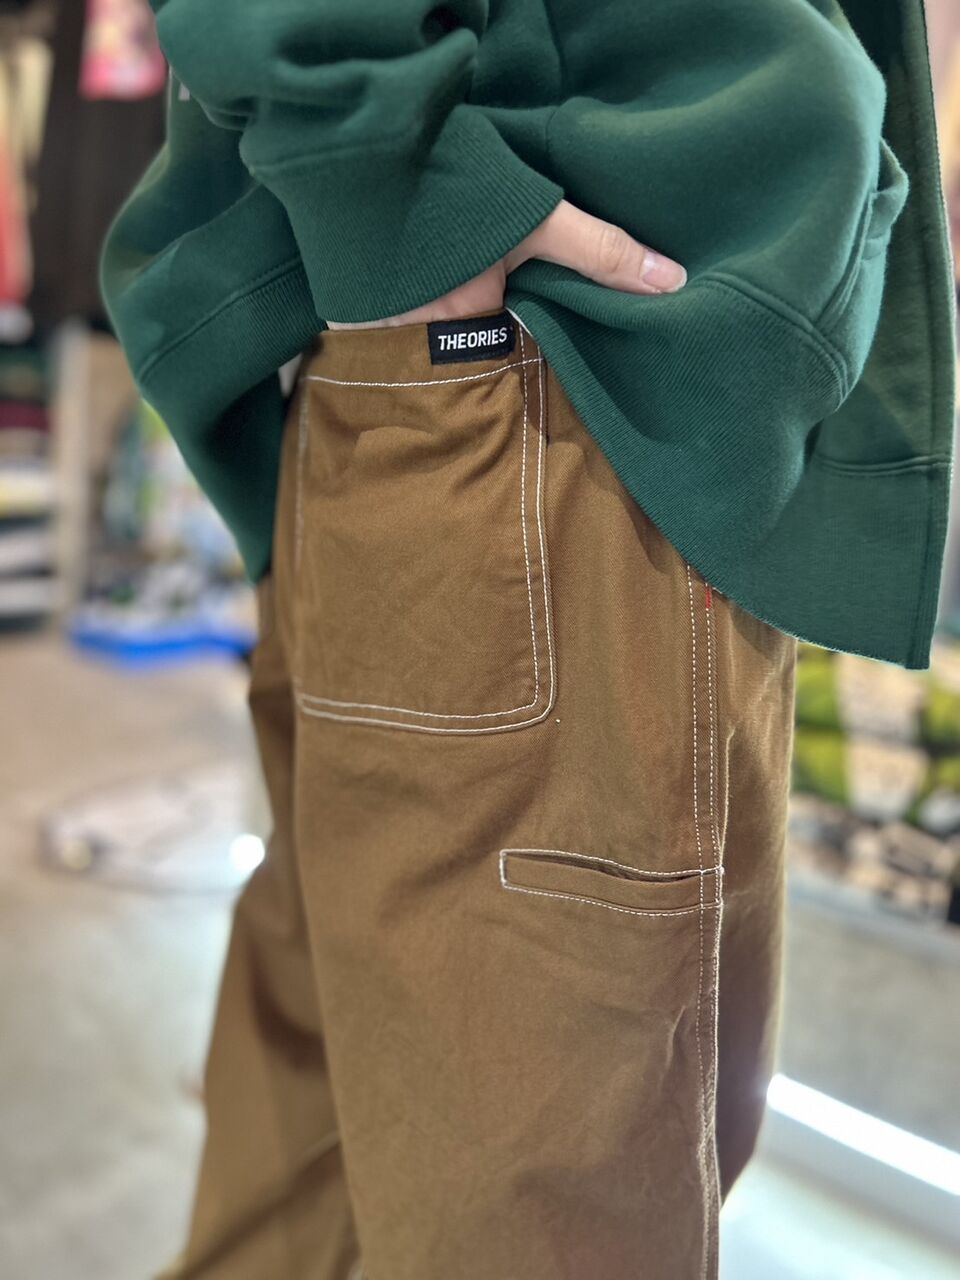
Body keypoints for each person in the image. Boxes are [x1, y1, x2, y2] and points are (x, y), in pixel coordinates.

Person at [99, 2, 955, 1277]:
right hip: (567, 380)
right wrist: (397, 177)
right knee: (542, 1202)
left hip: (497, 373)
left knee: (330, 1143)